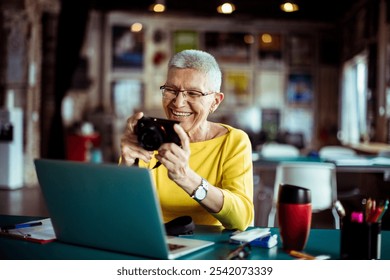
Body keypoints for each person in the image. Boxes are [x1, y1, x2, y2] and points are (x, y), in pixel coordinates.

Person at [120, 49, 253, 231]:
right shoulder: (148, 137)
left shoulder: (233, 141)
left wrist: (186, 178)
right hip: (151, 242)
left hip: (210, 250)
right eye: (171, 90)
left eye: (193, 93)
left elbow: (241, 219)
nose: (178, 102)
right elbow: (122, 212)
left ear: (215, 101)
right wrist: (127, 168)